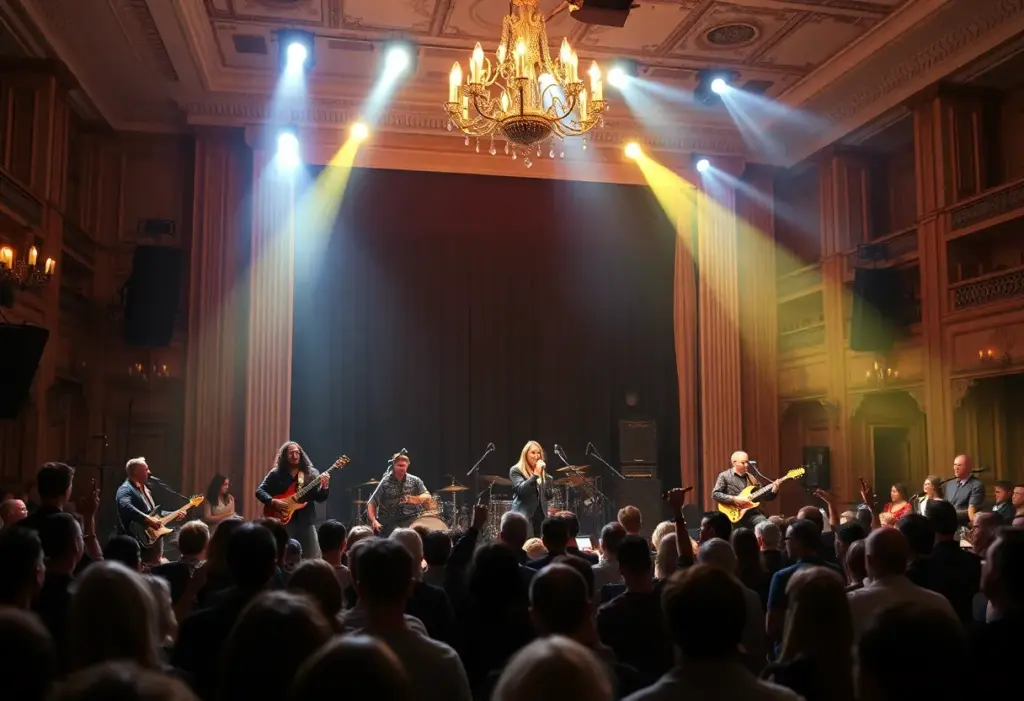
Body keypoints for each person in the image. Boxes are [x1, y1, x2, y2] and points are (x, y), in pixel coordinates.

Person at [255, 441, 330, 557]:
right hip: (283, 521)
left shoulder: (311, 473)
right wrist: (273, 501)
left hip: (306, 521)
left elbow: (319, 498)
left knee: (312, 556)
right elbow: (260, 491)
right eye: (291, 453)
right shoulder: (276, 473)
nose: (295, 456)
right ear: (284, 456)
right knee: (283, 555)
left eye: (297, 453)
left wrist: (324, 487)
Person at [115, 458, 186, 546]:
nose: (149, 472)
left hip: (151, 539)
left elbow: (153, 514)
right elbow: (125, 506)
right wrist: (147, 519)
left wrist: (174, 514)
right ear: (136, 472)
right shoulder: (126, 489)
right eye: (146, 469)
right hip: (134, 540)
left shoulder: (145, 489)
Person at [365, 452, 431, 536]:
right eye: (400, 465)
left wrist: (415, 499)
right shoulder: (385, 482)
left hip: (410, 518)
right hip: (389, 520)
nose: (402, 468)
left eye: (404, 466)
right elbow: (371, 502)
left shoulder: (415, 480)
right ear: (394, 465)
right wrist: (374, 521)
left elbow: (427, 496)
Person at [711, 451, 780, 529]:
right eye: (743, 463)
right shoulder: (724, 476)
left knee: (766, 526)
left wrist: (774, 489)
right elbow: (715, 494)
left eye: (747, 462)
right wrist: (734, 499)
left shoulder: (752, 478)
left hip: (751, 514)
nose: (746, 465)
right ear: (734, 463)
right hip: (733, 514)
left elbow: (764, 496)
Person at [509, 441, 554, 538]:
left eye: (538, 453)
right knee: (526, 544)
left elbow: (549, 496)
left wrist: (547, 481)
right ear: (525, 454)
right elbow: (521, 490)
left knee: (539, 545)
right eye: (533, 452)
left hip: (541, 517)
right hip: (524, 517)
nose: (536, 456)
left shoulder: (543, 474)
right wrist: (536, 475)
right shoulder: (516, 470)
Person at [943, 454, 984, 524]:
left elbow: (972, 512)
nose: (956, 468)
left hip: (964, 525)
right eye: (955, 465)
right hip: (947, 524)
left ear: (968, 467)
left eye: (959, 465)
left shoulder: (976, 485)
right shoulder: (950, 484)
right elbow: (945, 506)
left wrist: (949, 515)